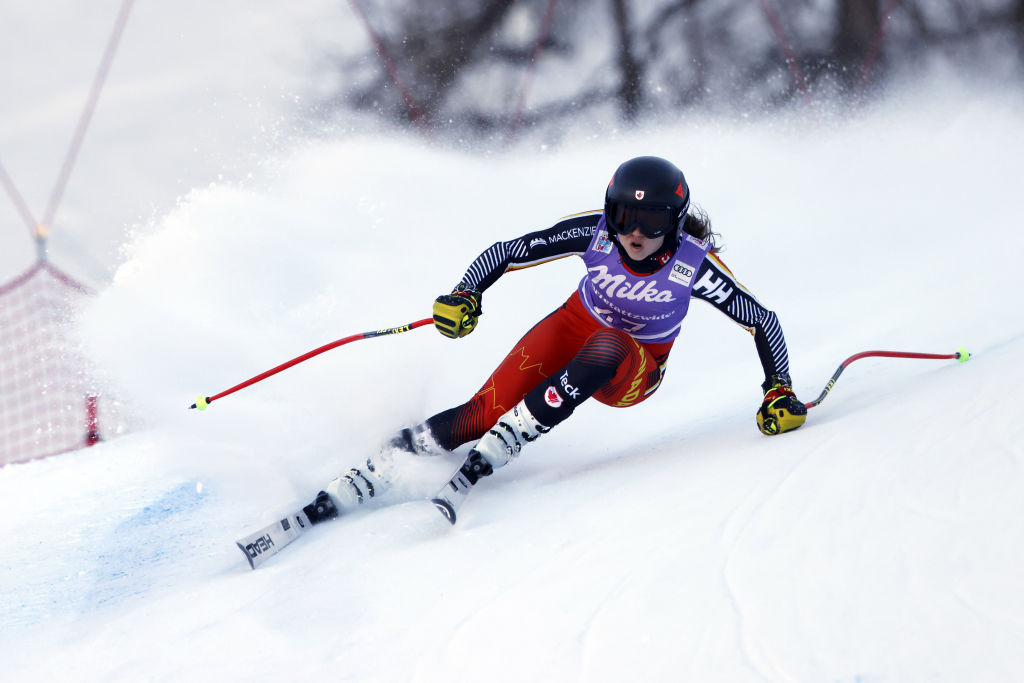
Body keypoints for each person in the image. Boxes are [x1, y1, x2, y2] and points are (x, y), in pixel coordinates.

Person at [312, 155, 807, 522]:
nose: (633, 232)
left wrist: (778, 388)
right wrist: (467, 294)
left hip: (633, 367)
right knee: (479, 413)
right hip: (572, 326)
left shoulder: (692, 264)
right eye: (622, 216)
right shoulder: (594, 234)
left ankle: (516, 434)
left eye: (651, 220)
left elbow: (761, 319)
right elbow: (508, 251)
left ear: (674, 223)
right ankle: (383, 460)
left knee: (610, 343)